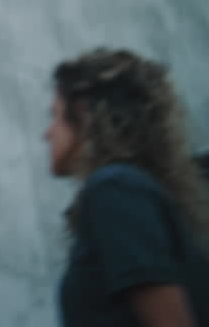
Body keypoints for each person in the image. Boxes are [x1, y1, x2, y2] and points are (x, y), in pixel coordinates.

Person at [44, 48, 209, 325]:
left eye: (56, 116)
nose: (47, 133)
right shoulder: (131, 192)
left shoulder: (114, 187)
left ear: (83, 112)